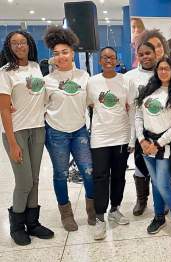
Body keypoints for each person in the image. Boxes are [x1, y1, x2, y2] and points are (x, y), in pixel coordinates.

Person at [0, 30, 54, 246]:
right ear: (9, 47)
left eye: (23, 42)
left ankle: (33, 223)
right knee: (23, 182)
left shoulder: (35, 67)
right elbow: (4, 110)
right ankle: (16, 225)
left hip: (38, 129)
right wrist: (12, 143)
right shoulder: (5, 72)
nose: (19, 46)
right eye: (14, 43)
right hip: (17, 131)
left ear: (29, 44)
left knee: (34, 179)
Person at [43, 26, 95, 231]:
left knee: (89, 172)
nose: (61, 56)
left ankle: (92, 210)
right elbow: (38, 107)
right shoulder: (47, 81)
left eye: (65, 52)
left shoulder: (84, 76)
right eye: (56, 54)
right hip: (56, 133)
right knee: (60, 174)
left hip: (80, 131)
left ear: (73, 52)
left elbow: (93, 102)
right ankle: (66, 214)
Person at [136, 57, 171, 241]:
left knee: (164, 185)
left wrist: (157, 144)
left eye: (167, 68)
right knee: (155, 184)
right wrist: (142, 140)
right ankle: (159, 217)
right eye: (160, 69)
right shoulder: (148, 91)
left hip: (163, 146)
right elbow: (138, 116)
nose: (163, 71)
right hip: (146, 146)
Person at [87, 47, 133, 240]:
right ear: (100, 61)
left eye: (111, 57)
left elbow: (132, 109)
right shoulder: (92, 82)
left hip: (121, 136)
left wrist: (132, 138)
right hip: (100, 137)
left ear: (116, 60)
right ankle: (99, 218)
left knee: (119, 176)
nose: (108, 60)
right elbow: (87, 105)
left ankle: (115, 210)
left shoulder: (126, 81)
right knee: (100, 177)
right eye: (104, 57)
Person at [124, 42, 157, 216]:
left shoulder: (163, 73)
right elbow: (127, 105)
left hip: (161, 128)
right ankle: (141, 200)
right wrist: (133, 137)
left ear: (155, 53)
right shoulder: (129, 76)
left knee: (161, 167)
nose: (145, 57)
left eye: (148, 53)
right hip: (139, 129)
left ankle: (161, 198)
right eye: (141, 54)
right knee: (140, 165)